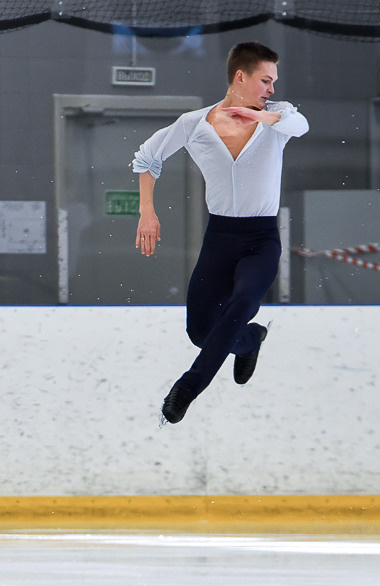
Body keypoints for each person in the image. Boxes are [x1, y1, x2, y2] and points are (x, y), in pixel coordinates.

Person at [132, 41, 309, 423]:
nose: (272, 89)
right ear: (240, 77)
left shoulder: (279, 117)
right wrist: (147, 212)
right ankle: (250, 340)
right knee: (201, 332)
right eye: (265, 80)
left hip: (261, 240)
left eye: (274, 82)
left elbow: (301, 126)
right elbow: (147, 157)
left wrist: (267, 119)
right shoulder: (194, 124)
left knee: (241, 302)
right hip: (220, 239)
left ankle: (187, 387)